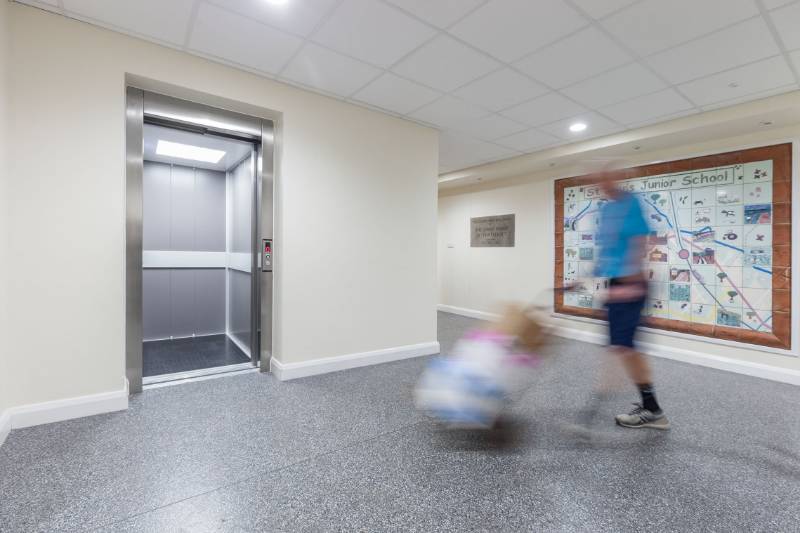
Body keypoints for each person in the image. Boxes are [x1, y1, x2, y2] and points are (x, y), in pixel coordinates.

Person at [593, 173, 669, 430]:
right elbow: (607, 251)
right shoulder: (607, 209)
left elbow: (638, 244)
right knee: (626, 349)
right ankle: (651, 406)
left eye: (604, 177)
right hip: (617, 282)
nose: (601, 184)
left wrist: (630, 286)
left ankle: (652, 409)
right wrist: (590, 277)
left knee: (627, 350)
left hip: (629, 283)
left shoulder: (630, 204)